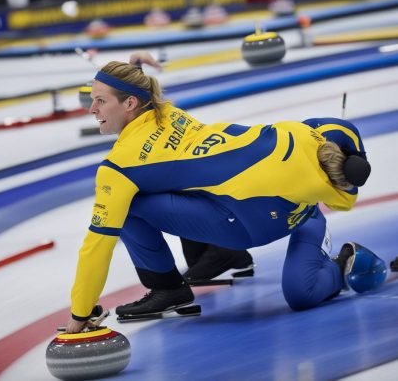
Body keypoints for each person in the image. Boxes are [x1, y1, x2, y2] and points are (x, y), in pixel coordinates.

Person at [66, 51, 385, 333]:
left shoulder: (119, 167)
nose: (91, 109)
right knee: (300, 293)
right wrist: (358, 161)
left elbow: (97, 245)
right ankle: (221, 255)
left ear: (131, 103)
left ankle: (168, 287)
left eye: (99, 100)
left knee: (128, 206)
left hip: (248, 225)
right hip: (303, 209)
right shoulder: (168, 112)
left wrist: (80, 313)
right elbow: (334, 127)